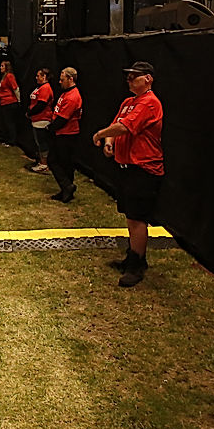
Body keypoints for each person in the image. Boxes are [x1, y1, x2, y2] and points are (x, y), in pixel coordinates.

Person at [92, 61, 162, 288]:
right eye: (128, 77)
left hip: (143, 168)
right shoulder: (128, 102)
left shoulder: (150, 103)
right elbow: (118, 124)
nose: (129, 80)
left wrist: (101, 134)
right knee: (130, 216)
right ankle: (133, 255)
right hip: (127, 167)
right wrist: (109, 142)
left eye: (135, 76)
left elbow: (125, 127)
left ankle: (137, 264)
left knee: (137, 217)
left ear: (148, 79)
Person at [48, 67, 82, 203]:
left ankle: (67, 187)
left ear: (70, 79)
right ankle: (66, 189)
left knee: (57, 161)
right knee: (63, 163)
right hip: (62, 133)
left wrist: (50, 128)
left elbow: (63, 119)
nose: (59, 82)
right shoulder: (65, 93)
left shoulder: (73, 96)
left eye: (62, 80)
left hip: (67, 134)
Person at [26, 68, 54, 173]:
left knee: (42, 143)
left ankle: (44, 165)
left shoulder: (46, 88)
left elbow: (41, 105)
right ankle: (41, 162)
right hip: (37, 119)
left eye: (38, 75)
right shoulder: (40, 87)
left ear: (44, 77)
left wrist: (30, 113)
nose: (36, 77)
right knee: (39, 142)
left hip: (42, 119)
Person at [0, 60, 21, 149]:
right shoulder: (4, 76)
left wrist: (18, 100)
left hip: (9, 103)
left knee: (10, 122)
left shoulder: (10, 76)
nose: (0, 68)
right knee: (6, 122)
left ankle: (11, 141)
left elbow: (15, 88)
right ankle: (7, 139)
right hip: (4, 102)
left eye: (2, 66)